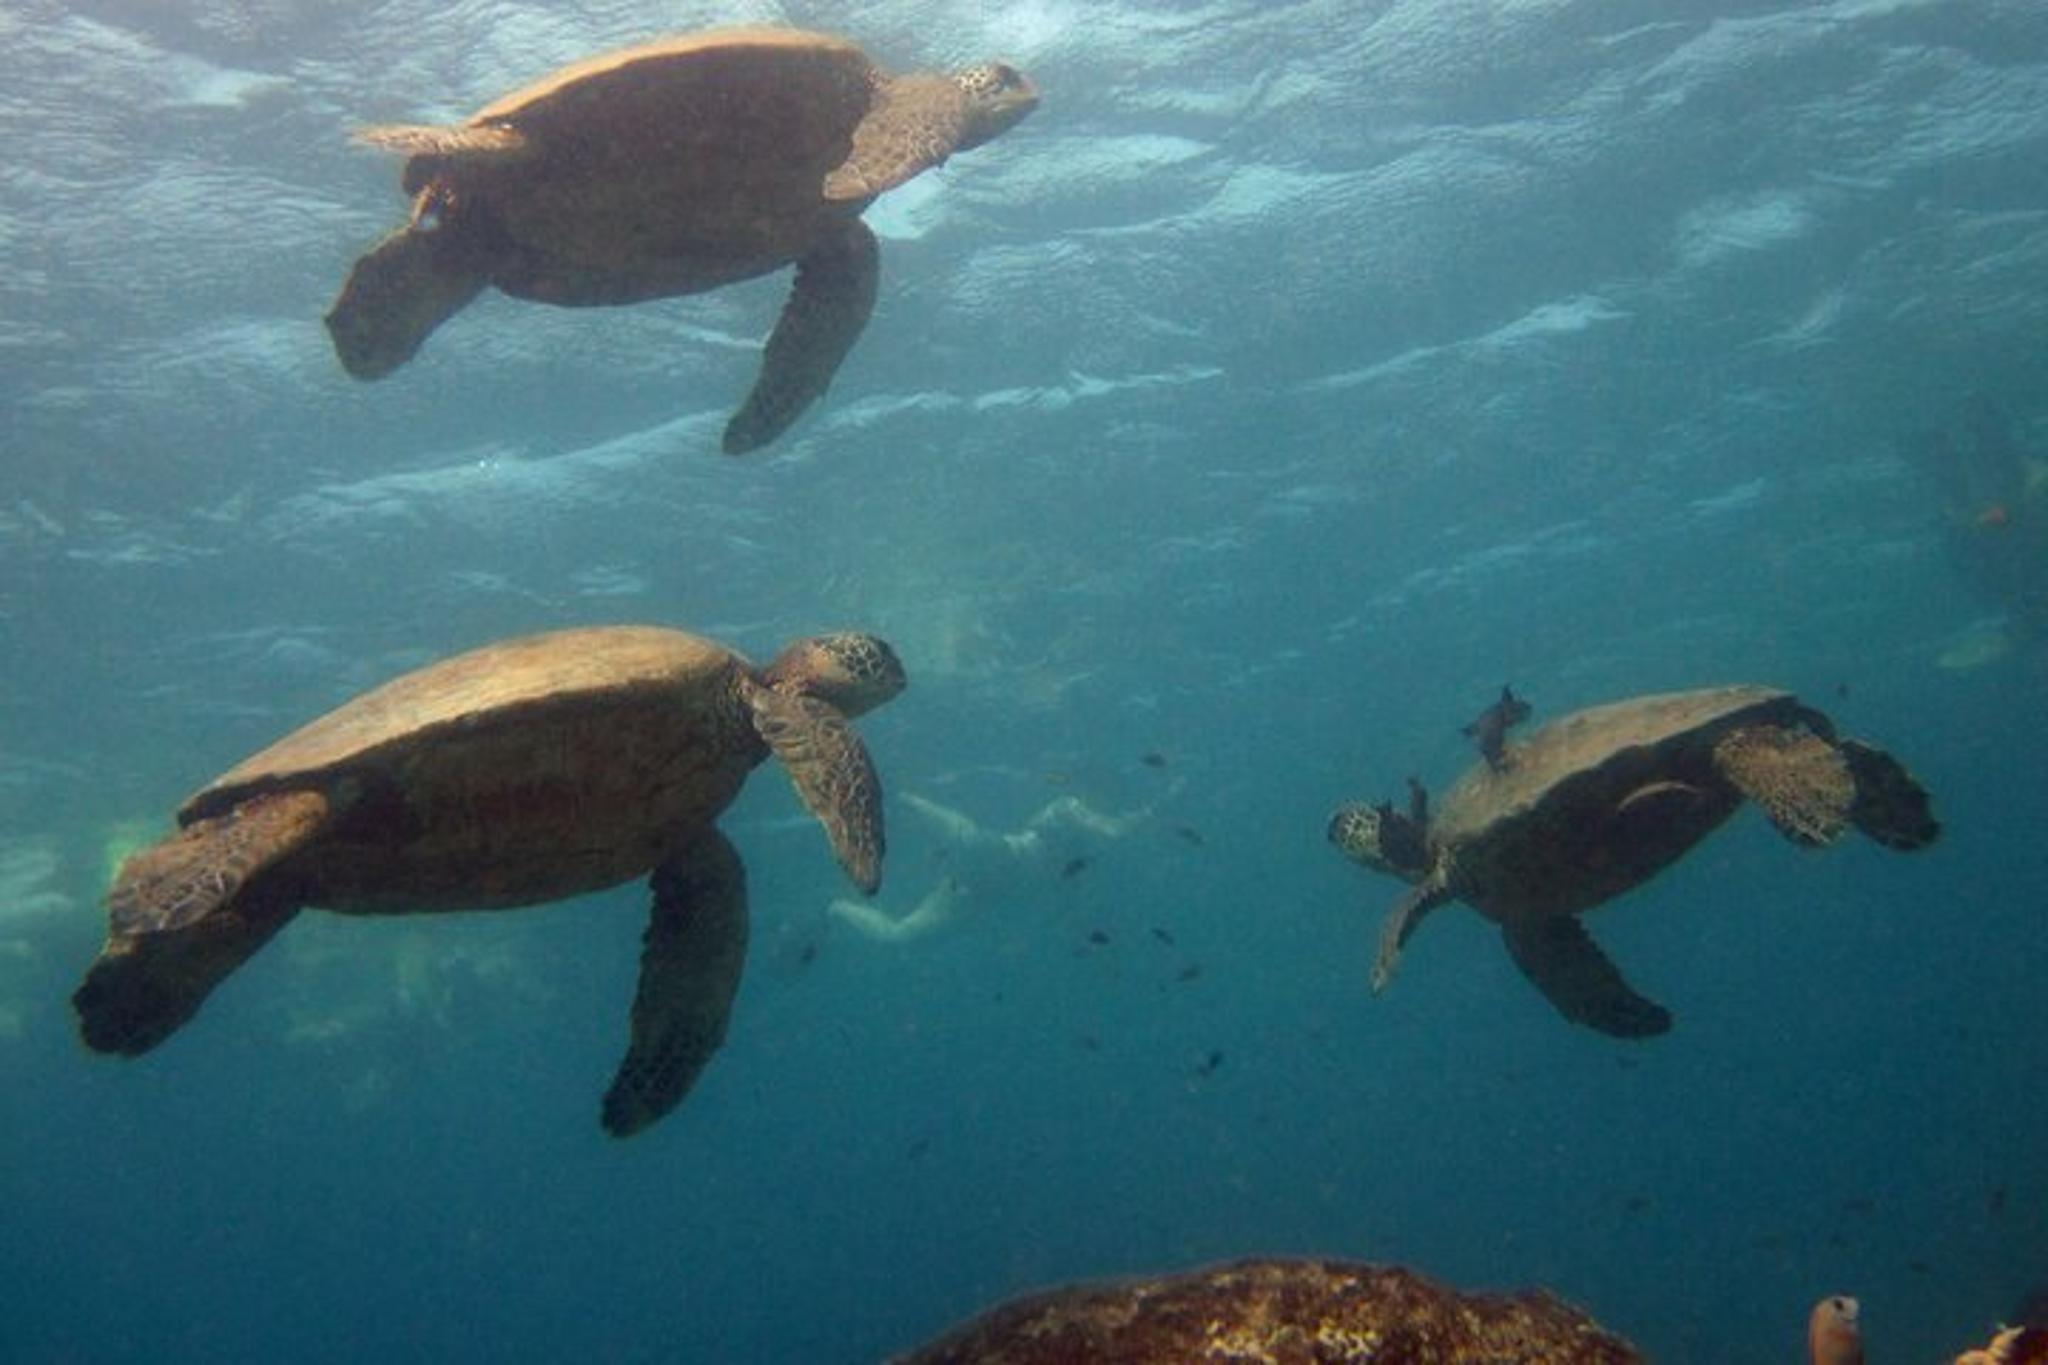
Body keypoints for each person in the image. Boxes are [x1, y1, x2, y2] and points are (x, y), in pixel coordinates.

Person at [828, 790, 1151, 945]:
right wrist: (1126, 824)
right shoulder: (1068, 810)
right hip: (1003, 858)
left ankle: (834, 906)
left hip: (982, 893)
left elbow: (1071, 912)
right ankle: (898, 797)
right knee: (964, 836)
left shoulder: (1077, 873)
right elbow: (1097, 824)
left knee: (899, 936)